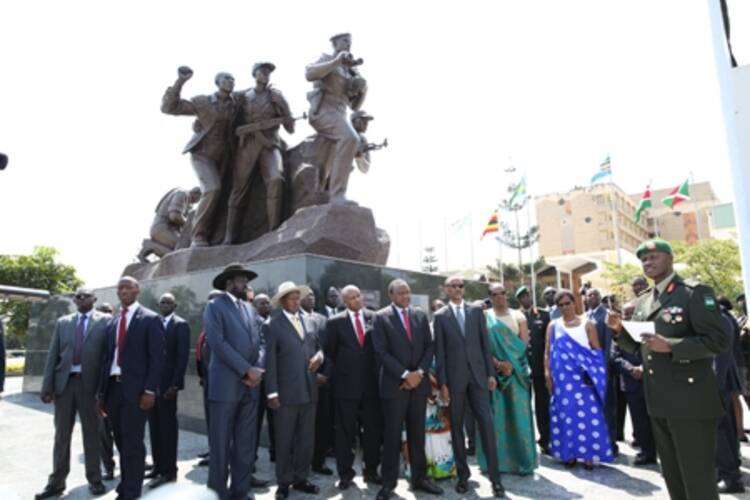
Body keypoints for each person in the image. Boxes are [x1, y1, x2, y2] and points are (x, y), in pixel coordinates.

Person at [607, 238, 728, 500]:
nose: (647, 262)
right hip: (659, 401)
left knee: (697, 478)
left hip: (690, 401)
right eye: (643, 259)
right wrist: (618, 331)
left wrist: (671, 346)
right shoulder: (643, 301)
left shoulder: (694, 293)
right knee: (673, 476)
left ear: (670, 259)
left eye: (654, 257)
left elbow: (718, 341)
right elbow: (639, 345)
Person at [35, 289, 111, 499]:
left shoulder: (105, 321)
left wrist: (104, 390)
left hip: (90, 387)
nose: (81, 298)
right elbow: (53, 355)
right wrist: (47, 387)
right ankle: (56, 483)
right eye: (77, 296)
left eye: (85, 295)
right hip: (65, 386)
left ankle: (95, 480)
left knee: (92, 434)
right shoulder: (63, 323)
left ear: (94, 299)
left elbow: (108, 357)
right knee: (61, 436)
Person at [433, 276, 505, 496]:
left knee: (487, 425)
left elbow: (485, 345)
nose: (457, 289)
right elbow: (440, 352)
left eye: (460, 286)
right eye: (453, 286)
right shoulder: (440, 316)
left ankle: (496, 479)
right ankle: (463, 476)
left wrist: (490, 373)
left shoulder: (475, 311)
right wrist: (443, 383)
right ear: (446, 289)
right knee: (456, 428)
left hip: (478, 377)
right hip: (455, 380)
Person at [372, 279, 442, 500]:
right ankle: (388, 484)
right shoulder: (380, 317)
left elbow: (429, 346)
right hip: (395, 386)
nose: (406, 296)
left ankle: (419, 478)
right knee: (392, 436)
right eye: (401, 293)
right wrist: (405, 374)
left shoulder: (419, 315)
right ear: (391, 295)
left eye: (408, 292)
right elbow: (381, 351)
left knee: (417, 435)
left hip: (418, 385)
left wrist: (418, 373)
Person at [97, 277, 165, 500]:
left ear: (137, 290)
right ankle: (125, 484)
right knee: (120, 441)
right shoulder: (114, 322)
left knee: (133, 443)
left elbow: (157, 359)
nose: (123, 291)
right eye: (120, 288)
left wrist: (150, 390)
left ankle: (131, 492)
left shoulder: (151, 319)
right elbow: (107, 358)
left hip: (136, 392)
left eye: (128, 287)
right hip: (112, 390)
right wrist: (101, 394)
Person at [203, 264, 265, 500]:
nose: (246, 284)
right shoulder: (215, 306)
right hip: (226, 387)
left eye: (247, 281)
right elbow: (217, 343)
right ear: (229, 283)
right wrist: (246, 370)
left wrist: (257, 369)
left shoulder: (250, 309)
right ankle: (218, 492)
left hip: (251, 387)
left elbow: (261, 341)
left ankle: (241, 490)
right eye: (242, 280)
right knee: (220, 444)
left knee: (245, 443)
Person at [161, 66, 239, 246]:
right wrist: (180, 81)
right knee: (212, 188)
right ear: (217, 83)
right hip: (202, 155)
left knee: (225, 195)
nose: (230, 82)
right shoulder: (203, 102)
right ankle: (198, 236)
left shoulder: (237, 104)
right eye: (226, 78)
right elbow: (169, 107)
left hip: (225, 157)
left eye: (233, 79)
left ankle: (217, 236)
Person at [264, 282, 325, 499]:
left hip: (309, 391)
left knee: (306, 440)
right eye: (292, 298)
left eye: (298, 297)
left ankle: (301, 478)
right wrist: (272, 393)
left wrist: (320, 357)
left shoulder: (310, 321)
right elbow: (269, 361)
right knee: (284, 440)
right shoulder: (272, 325)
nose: (297, 301)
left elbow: (318, 347)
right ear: (282, 301)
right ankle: (283, 482)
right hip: (285, 394)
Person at [223, 62, 295, 242]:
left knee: (276, 179)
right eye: (262, 72)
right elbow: (227, 117)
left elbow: (291, 128)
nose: (266, 75)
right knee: (238, 189)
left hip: (270, 145)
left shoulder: (276, 96)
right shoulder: (242, 96)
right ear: (254, 74)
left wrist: (282, 106)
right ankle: (229, 237)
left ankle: (274, 231)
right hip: (247, 145)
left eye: (268, 72)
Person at [545, 289, 613, 469]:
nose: (565, 307)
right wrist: (547, 373)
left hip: (583, 378)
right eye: (560, 305)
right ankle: (570, 454)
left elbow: (596, 352)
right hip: (562, 380)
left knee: (589, 415)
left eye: (568, 303)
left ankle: (589, 455)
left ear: (575, 303)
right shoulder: (553, 325)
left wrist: (595, 374)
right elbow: (547, 352)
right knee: (566, 415)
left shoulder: (587, 324)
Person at [325, 285, 383, 489]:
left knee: (373, 432)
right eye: (351, 298)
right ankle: (345, 474)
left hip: (371, 387)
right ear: (344, 301)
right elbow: (330, 354)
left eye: (358, 296)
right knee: (345, 433)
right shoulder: (335, 322)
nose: (357, 299)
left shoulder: (374, 318)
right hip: (345, 387)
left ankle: (371, 471)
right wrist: (333, 380)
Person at [480, 283, 537, 476]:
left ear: (507, 294)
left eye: (502, 293)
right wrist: (497, 364)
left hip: (516, 373)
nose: (499, 297)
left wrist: (510, 365)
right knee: (497, 418)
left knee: (519, 416)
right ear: (490, 297)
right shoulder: (485, 316)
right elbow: (482, 345)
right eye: (495, 294)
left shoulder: (518, 316)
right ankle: (496, 462)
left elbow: (523, 344)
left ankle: (523, 461)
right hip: (493, 374)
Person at [305, 33, 368, 202]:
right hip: (323, 110)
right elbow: (309, 74)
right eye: (345, 41)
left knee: (326, 161)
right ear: (334, 43)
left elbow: (355, 107)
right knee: (350, 138)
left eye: (350, 42)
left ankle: (324, 194)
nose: (348, 44)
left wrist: (363, 89)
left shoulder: (351, 70)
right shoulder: (324, 58)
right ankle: (338, 194)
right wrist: (336, 62)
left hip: (341, 113)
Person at [145, 293, 190, 489]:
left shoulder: (181, 325)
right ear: (158, 304)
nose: (165, 304)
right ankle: (157, 467)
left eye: (169, 302)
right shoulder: (153, 323)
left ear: (175, 305)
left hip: (168, 387)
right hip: (151, 387)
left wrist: (175, 385)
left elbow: (182, 357)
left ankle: (169, 471)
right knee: (154, 427)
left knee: (168, 429)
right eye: (162, 302)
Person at [611, 302, 657, 466]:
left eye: (632, 313)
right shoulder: (619, 335)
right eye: (626, 314)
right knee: (639, 420)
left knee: (657, 420)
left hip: (653, 381)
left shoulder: (648, 331)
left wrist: (643, 368)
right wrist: (631, 369)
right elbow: (615, 357)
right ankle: (647, 452)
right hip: (632, 382)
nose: (629, 317)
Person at [300, 290, 334, 476]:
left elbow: (329, 349)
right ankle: (300, 464)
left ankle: (319, 462)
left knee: (322, 423)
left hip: (323, 382)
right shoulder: (294, 319)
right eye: (306, 295)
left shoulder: (323, 320)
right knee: (302, 425)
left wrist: (325, 375)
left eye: (312, 295)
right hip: (302, 381)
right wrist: (312, 376)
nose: (310, 298)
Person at [517, 285, 552, 455]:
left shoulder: (543, 315)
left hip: (539, 367)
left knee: (542, 405)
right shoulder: (515, 316)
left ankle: (545, 440)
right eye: (523, 296)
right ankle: (525, 442)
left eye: (528, 295)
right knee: (523, 406)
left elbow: (548, 342)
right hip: (522, 367)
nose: (527, 299)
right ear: (519, 300)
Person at [715, 298, 744, 493]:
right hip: (717, 382)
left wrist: (714, 386)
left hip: (718, 382)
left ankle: (730, 477)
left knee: (721, 430)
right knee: (723, 428)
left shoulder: (719, 317)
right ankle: (726, 472)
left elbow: (720, 357)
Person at [586, 288, 620, 454]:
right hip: (588, 370)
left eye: (595, 294)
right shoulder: (585, 316)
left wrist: (603, 369)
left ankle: (610, 444)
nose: (592, 297)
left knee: (607, 407)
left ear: (600, 297)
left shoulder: (606, 315)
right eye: (589, 295)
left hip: (602, 368)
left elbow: (608, 344)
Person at [196, 290, 223, 468]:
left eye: (215, 300)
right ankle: (213, 449)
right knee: (211, 419)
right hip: (207, 380)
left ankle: (218, 454)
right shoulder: (207, 325)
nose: (211, 304)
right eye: (209, 300)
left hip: (219, 383)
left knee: (219, 421)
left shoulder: (222, 325)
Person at [137, 187, 202, 261]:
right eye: (199, 199)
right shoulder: (182, 194)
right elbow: (174, 216)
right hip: (162, 229)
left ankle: (152, 246)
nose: (197, 201)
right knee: (183, 246)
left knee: (179, 255)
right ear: (197, 194)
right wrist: (190, 225)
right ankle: (150, 246)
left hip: (169, 230)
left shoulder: (188, 204)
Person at [253, 293, 276, 464]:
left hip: (274, 381)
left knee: (276, 421)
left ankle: (276, 453)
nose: (266, 306)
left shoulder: (277, 323)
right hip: (257, 382)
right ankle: (250, 458)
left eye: (268, 303)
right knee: (254, 422)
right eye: (262, 303)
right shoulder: (251, 324)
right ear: (255, 307)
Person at [94, 303, 116, 480]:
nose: (105, 316)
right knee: (103, 432)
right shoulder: (92, 334)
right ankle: (108, 466)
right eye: (102, 312)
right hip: (99, 391)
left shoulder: (118, 331)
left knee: (128, 429)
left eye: (108, 312)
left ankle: (138, 461)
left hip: (117, 388)